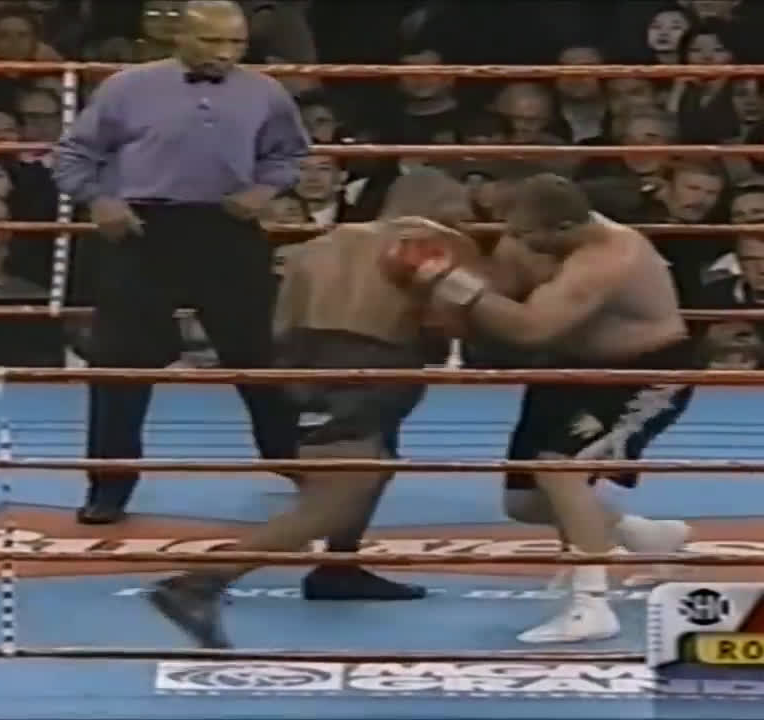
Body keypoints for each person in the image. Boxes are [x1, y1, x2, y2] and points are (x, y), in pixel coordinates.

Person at [146, 169, 483, 648]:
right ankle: (197, 584)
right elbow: (448, 324)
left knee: (376, 464)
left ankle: (338, 570)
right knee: (335, 498)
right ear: (440, 204)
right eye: (461, 211)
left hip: (306, 358)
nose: (467, 222)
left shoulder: (319, 245)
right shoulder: (435, 242)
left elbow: (283, 322)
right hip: (371, 363)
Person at [383, 173, 695, 643]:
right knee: (525, 502)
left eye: (527, 235)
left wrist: (450, 280)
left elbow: (531, 328)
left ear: (564, 227)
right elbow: (496, 298)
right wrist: (448, 269)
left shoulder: (610, 257)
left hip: (641, 373)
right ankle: (643, 536)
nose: (517, 241)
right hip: (569, 369)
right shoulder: (529, 235)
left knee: (558, 468)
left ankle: (592, 605)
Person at [53, 0, 309, 524]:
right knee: (120, 363)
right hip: (143, 228)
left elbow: (289, 154)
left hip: (226, 226)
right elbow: (74, 155)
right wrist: (99, 200)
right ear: (180, 37)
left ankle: (290, 458)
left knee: (259, 353)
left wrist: (264, 190)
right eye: (213, 41)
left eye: (236, 43)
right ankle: (109, 487)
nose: (225, 53)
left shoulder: (265, 91)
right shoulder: (127, 87)